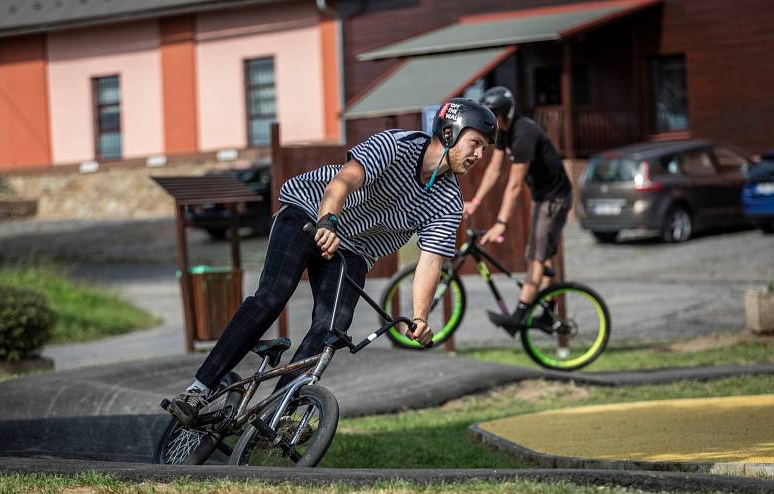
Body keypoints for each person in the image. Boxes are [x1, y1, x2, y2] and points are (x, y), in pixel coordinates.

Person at [170, 98, 497, 426]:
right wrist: (329, 221)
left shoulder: (448, 202)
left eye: (485, 149)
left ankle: (278, 412)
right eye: (476, 143)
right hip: (310, 213)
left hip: (354, 249)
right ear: (450, 132)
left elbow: (430, 262)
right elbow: (342, 182)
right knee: (272, 296)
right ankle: (198, 389)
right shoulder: (396, 145)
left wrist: (420, 317)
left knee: (333, 327)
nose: (480, 156)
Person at [464, 86, 572, 334]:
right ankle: (546, 313)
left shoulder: (524, 133)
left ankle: (520, 316)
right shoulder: (505, 131)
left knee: (536, 256)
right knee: (539, 254)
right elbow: (494, 170)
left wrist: (501, 222)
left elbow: (513, 185)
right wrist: (476, 202)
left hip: (555, 199)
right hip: (541, 197)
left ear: (503, 115)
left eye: (492, 116)